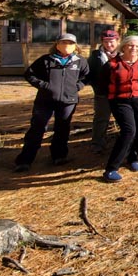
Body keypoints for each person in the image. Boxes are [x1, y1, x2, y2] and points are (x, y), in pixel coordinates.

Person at [14, 33, 90, 172]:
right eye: (64, 43)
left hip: (68, 101)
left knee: (62, 128)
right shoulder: (46, 60)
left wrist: (76, 87)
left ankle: (59, 156)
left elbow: (86, 77)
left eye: (70, 43)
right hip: (45, 101)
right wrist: (45, 86)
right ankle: (25, 160)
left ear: (75, 46)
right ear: (57, 44)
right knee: (37, 129)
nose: (67, 46)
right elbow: (29, 74)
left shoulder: (80, 61)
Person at [99, 35, 138, 183]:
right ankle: (111, 168)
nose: (133, 48)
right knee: (129, 131)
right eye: (130, 45)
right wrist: (114, 96)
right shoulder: (112, 64)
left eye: (137, 46)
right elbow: (102, 83)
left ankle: (133, 159)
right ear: (123, 46)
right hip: (120, 101)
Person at [87, 29, 120, 154]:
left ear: (117, 41)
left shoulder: (123, 54)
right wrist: (97, 87)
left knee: (123, 118)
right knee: (101, 118)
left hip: (120, 93)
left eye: (111, 41)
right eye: (105, 42)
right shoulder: (96, 56)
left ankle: (123, 142)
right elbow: (89, 74)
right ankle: (97, 143)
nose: (109, 44)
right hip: (102, 94)